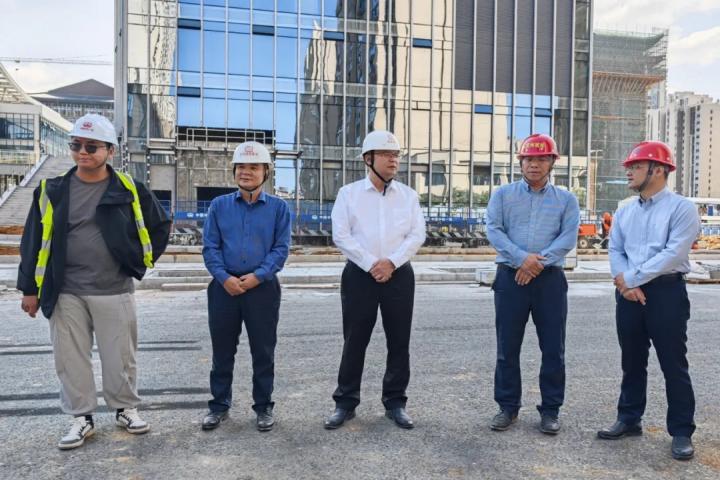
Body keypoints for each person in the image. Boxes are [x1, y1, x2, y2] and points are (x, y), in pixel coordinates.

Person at [17, 113, 171, 450]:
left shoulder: (128, 188)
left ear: (110, 151)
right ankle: (81, 417)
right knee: (70, 357)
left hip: (114, 288)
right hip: (65, 289)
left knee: (121, 355)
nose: (82, 152)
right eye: (76, 145)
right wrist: (29, 288)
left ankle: (125, 408)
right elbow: (32, 241)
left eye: (91, 146)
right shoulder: (52, 190)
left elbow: (160, 225)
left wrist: (138, 261)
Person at [597, 141, 699, 461]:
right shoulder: (625, 209)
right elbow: (616, 249)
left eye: (636, 166)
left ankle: (681, 431)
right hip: (628, 295)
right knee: (631, 360)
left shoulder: (682, 208)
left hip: (666, 293)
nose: (629, 172)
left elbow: (674, 254)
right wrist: (625, 284)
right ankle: (629, 418)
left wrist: (632, 278)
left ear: (658, 170)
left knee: (673, 363)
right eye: (630, 167)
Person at [324, 130, 426, 430]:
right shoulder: (349, 194)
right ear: (368, 159)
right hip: (360, 275)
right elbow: (341, 235)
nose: (394, 160)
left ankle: (395, 402)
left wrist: (391, 262)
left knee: (399, 341)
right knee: (355, 340)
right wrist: (372, 264)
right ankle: (345, 403)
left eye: (396, 155)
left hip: (399, 274)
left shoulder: (408, 196)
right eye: (386, 154)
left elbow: (417, 234)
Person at [485, 133, 580, 435]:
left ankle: (550, 410)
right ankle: (507, 407)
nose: (534, 164)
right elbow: (494, 230)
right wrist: (522, 259)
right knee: (507, 347)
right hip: (510, 278)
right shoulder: (503, 195)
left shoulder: (566, 199)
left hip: (549, 281)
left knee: (553, 348)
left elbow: (568, 237)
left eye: (541, 159)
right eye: (528, 159)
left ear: (552, 163)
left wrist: (536, 263)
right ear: (520, 162)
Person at [201, 141, 291, 432]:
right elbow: (210, 247)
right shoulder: (219, 206)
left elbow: (281, 249)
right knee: (222, 351)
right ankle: (219, 405)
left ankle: (263, 406)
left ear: (266, 172)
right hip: (224, 288)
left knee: (263, 351)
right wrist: (223, 277)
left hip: (262, 289)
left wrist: (258, 276)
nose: (246, 172)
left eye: (253, 167)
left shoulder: (279, 208)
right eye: (241, 166)